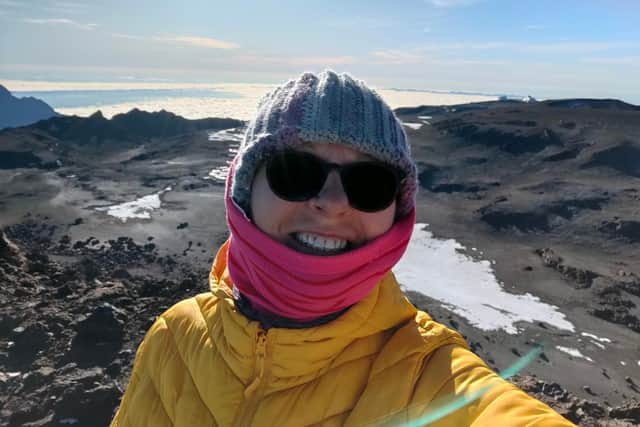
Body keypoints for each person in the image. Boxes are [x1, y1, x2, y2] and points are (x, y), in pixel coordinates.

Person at [111, 70, 575, 426]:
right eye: (296, 172)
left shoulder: (430, 373)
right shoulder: (172, 339)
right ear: (243, 189)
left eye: (369, 185)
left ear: (398, 210)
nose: (332, 204)